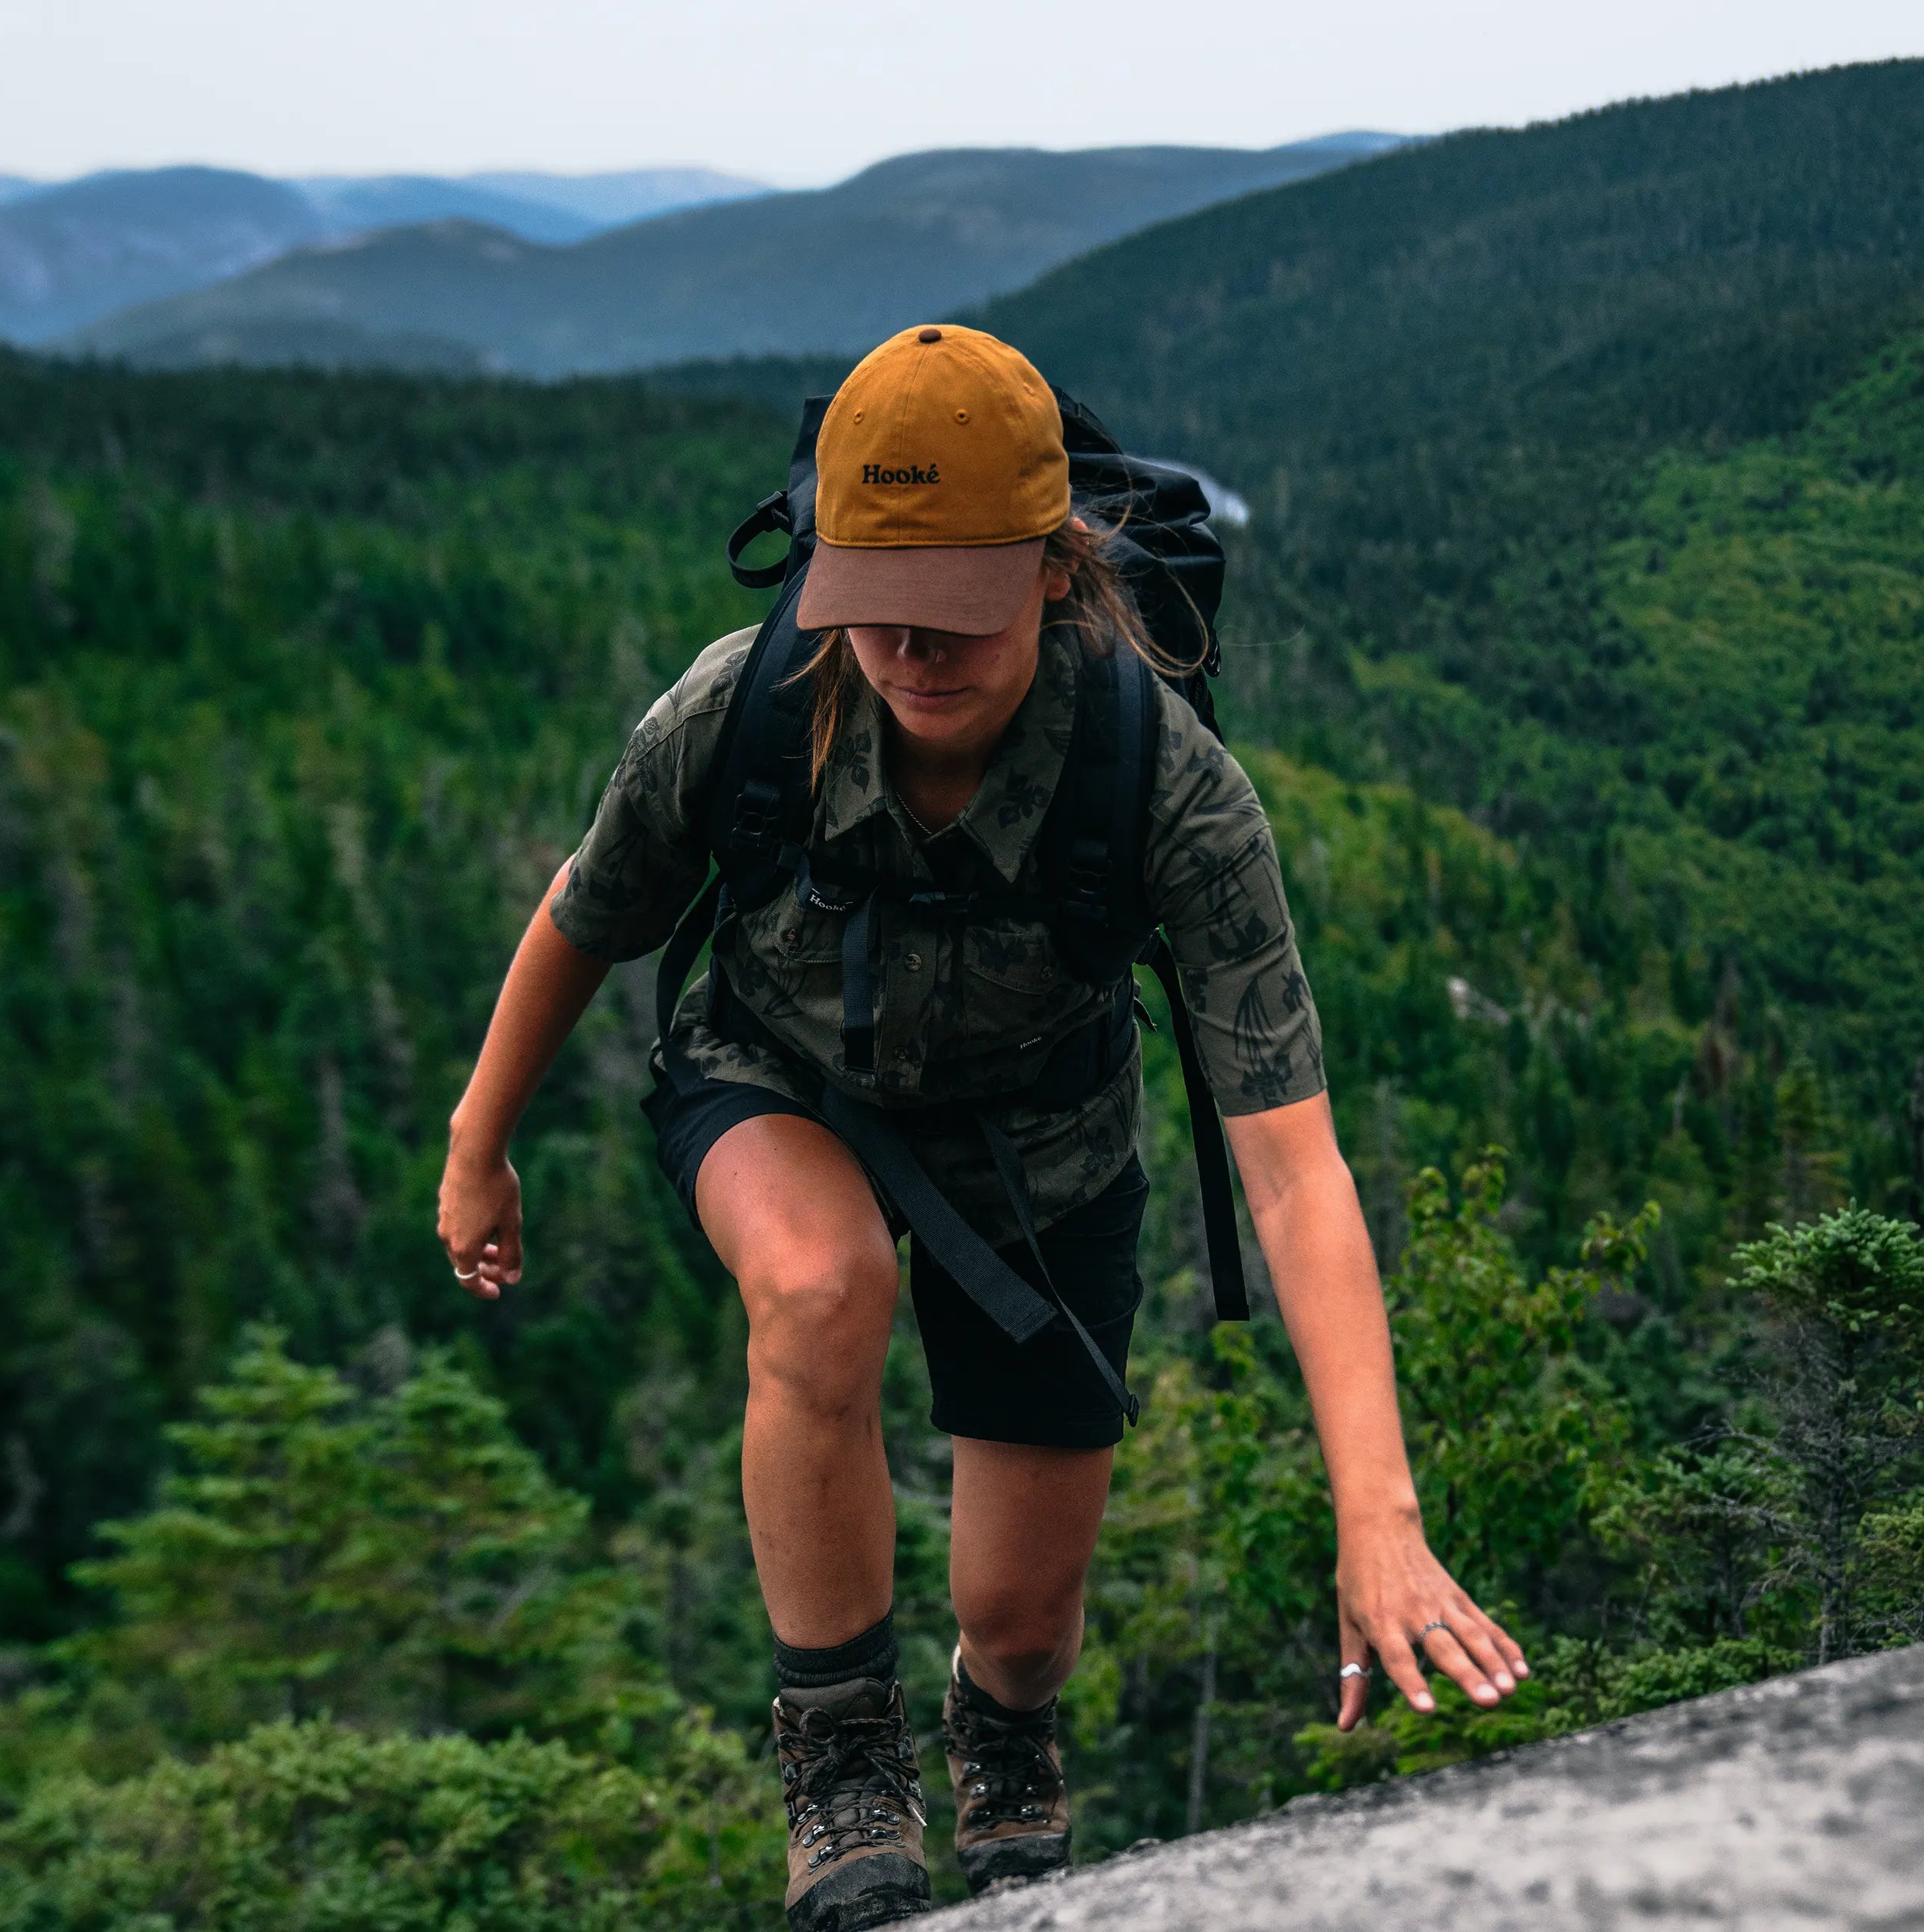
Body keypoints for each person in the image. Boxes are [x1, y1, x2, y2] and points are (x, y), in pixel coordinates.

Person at [437, 324, 1528, 1930]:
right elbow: (584, 914)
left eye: (949, 615)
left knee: (1019, 1621)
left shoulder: (1165, 785)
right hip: (778, 1075)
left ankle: (996, 1727)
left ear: (1052, 562)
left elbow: (1291, 1170)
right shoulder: (736, 711)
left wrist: (1378, 1516)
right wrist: (479, 1140)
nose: (905, 655)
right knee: (817, 1286)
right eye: (869, 608)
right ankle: (840, 1750)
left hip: (1042, 1145)